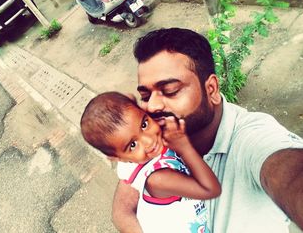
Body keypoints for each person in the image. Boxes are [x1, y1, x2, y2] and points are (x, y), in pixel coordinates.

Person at [112, 28, 303, 233]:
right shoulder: (153, 138)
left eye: (170, 91)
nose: (153, 106)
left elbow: (289, 173)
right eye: (146, 96)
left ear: (211, 89)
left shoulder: (253, 139)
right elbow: (122, 209)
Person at [81, 91, 221, 232]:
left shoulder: (129, 162)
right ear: (118, 158)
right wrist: (184, 147)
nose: (149, 141)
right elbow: (210, 189)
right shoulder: (158, 179)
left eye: (144, 124)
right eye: (133, 145)